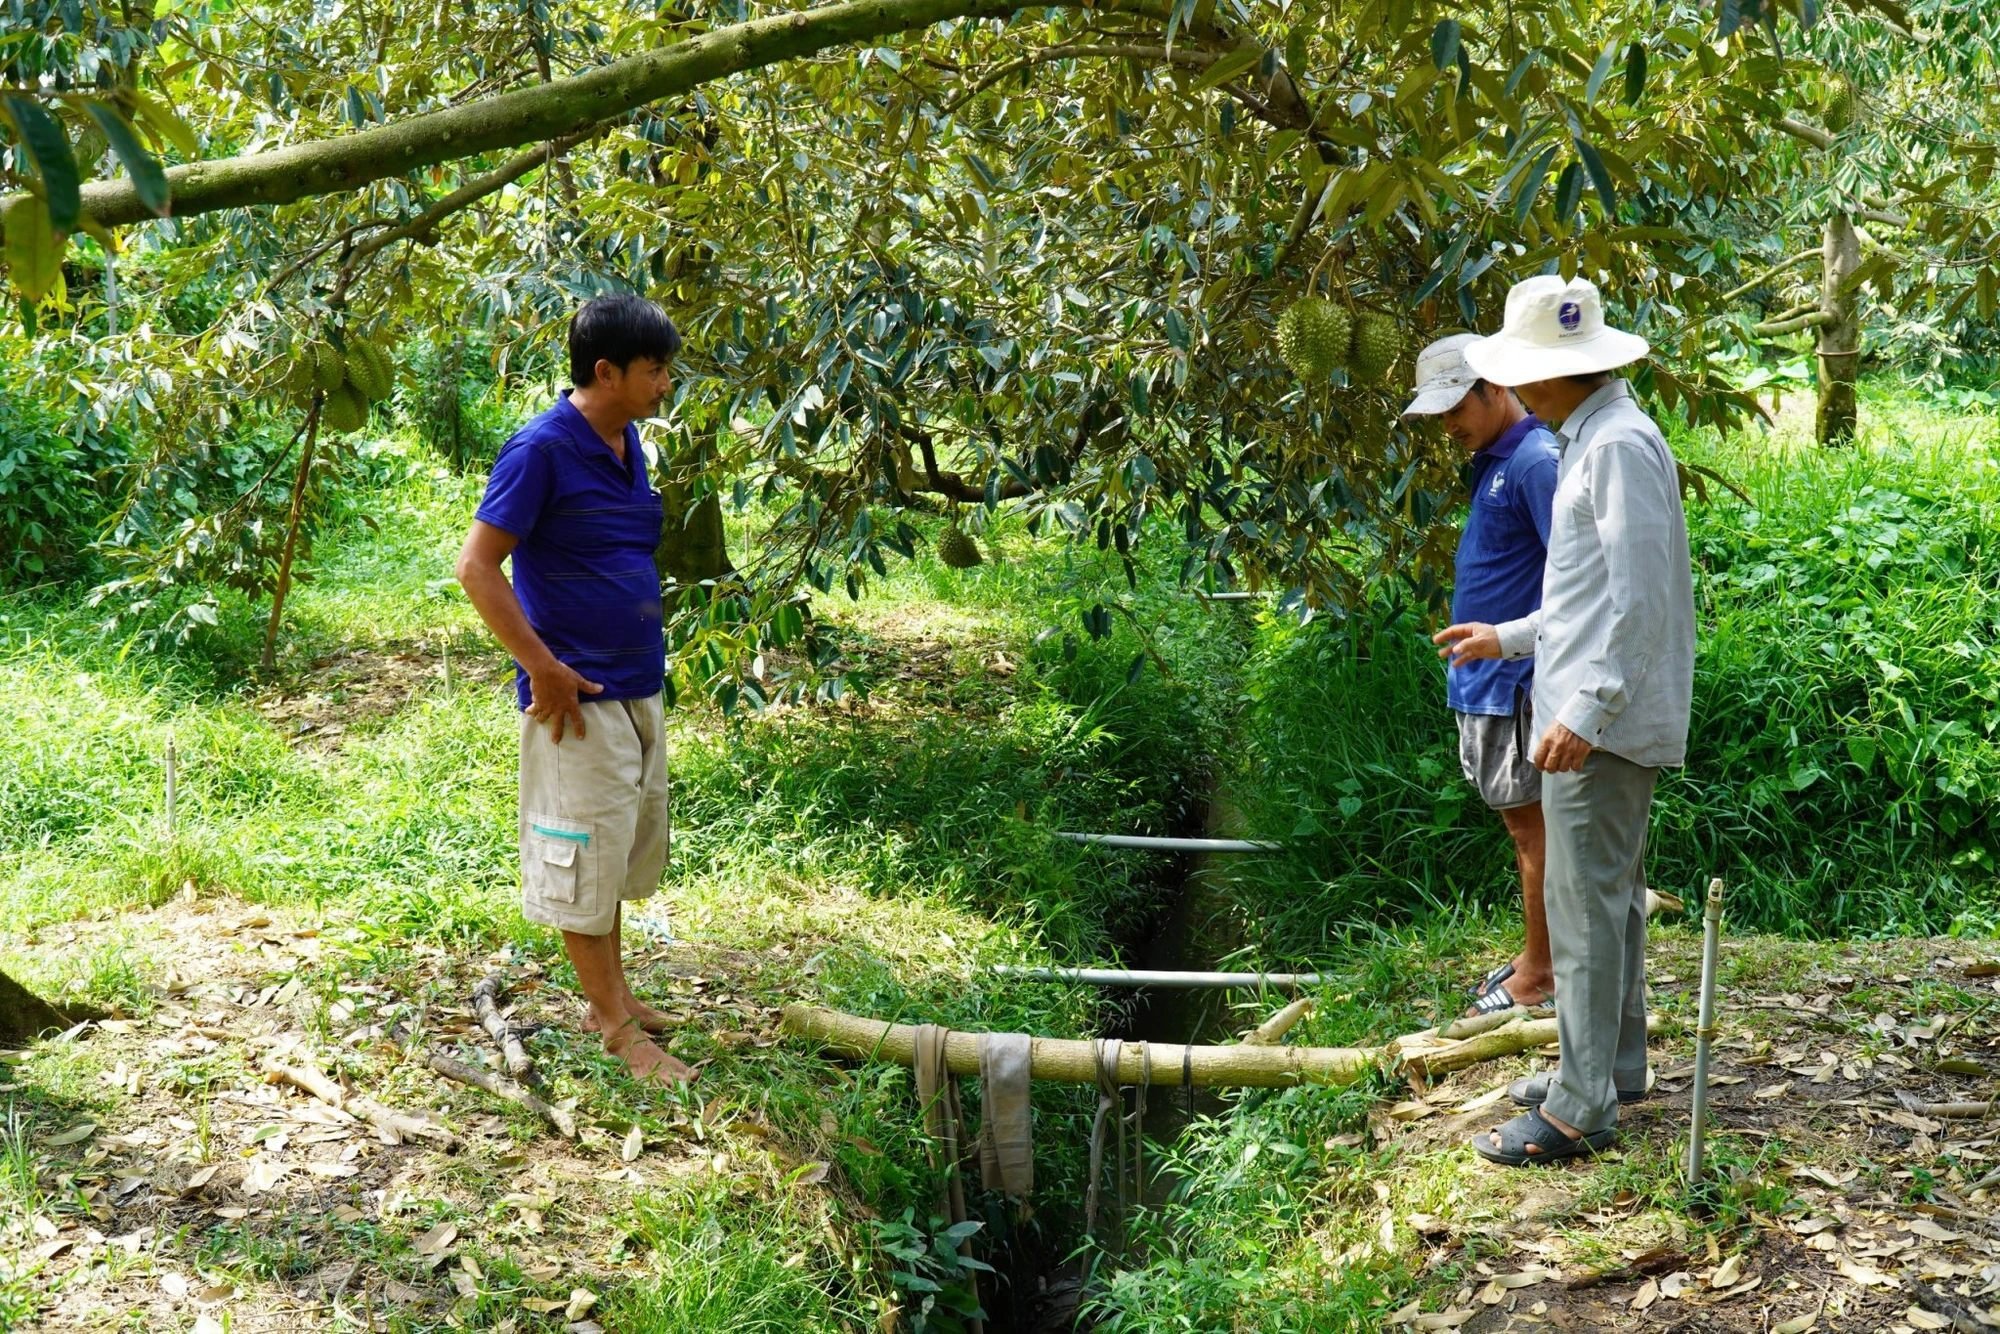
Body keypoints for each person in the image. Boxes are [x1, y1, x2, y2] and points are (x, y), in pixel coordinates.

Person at [1432, 276, 1695, 1166]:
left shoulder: (1615, 446)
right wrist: (1504, 637)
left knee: (1583, 910)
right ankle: (1611, 1067)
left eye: (1527, 373)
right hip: (1589, 711)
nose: (1521, 390)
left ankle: (1580, 1108)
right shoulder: (1590, 439)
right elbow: (1584, 599)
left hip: (1600, 725)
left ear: (1559, 374)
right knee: (1608, 904)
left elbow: (1640, 600)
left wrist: (1586, 711)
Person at [455, 293, 694, 1085]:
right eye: (655, 370)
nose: (666, 383)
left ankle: (610, 998)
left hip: (636, 686)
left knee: (616, 852)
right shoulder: (541, 450)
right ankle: (619, 1034)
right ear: (608, 370)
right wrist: (543, 667)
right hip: (577, 696)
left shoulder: (626, 444)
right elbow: (477, 568)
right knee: (582, 856)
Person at [1404, 335, 1560, 1018]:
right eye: (1437, 415)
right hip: (1486, 682)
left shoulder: (1534, 461)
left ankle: (1541, 974)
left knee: (1535, 832)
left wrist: (1515, 644)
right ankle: (1540, 957)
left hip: (1517, 681)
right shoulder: (1494, 461)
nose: (1448, 426)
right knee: (1521, 828)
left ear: (1495, 387)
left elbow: (1577, 577)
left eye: (1454, 408)